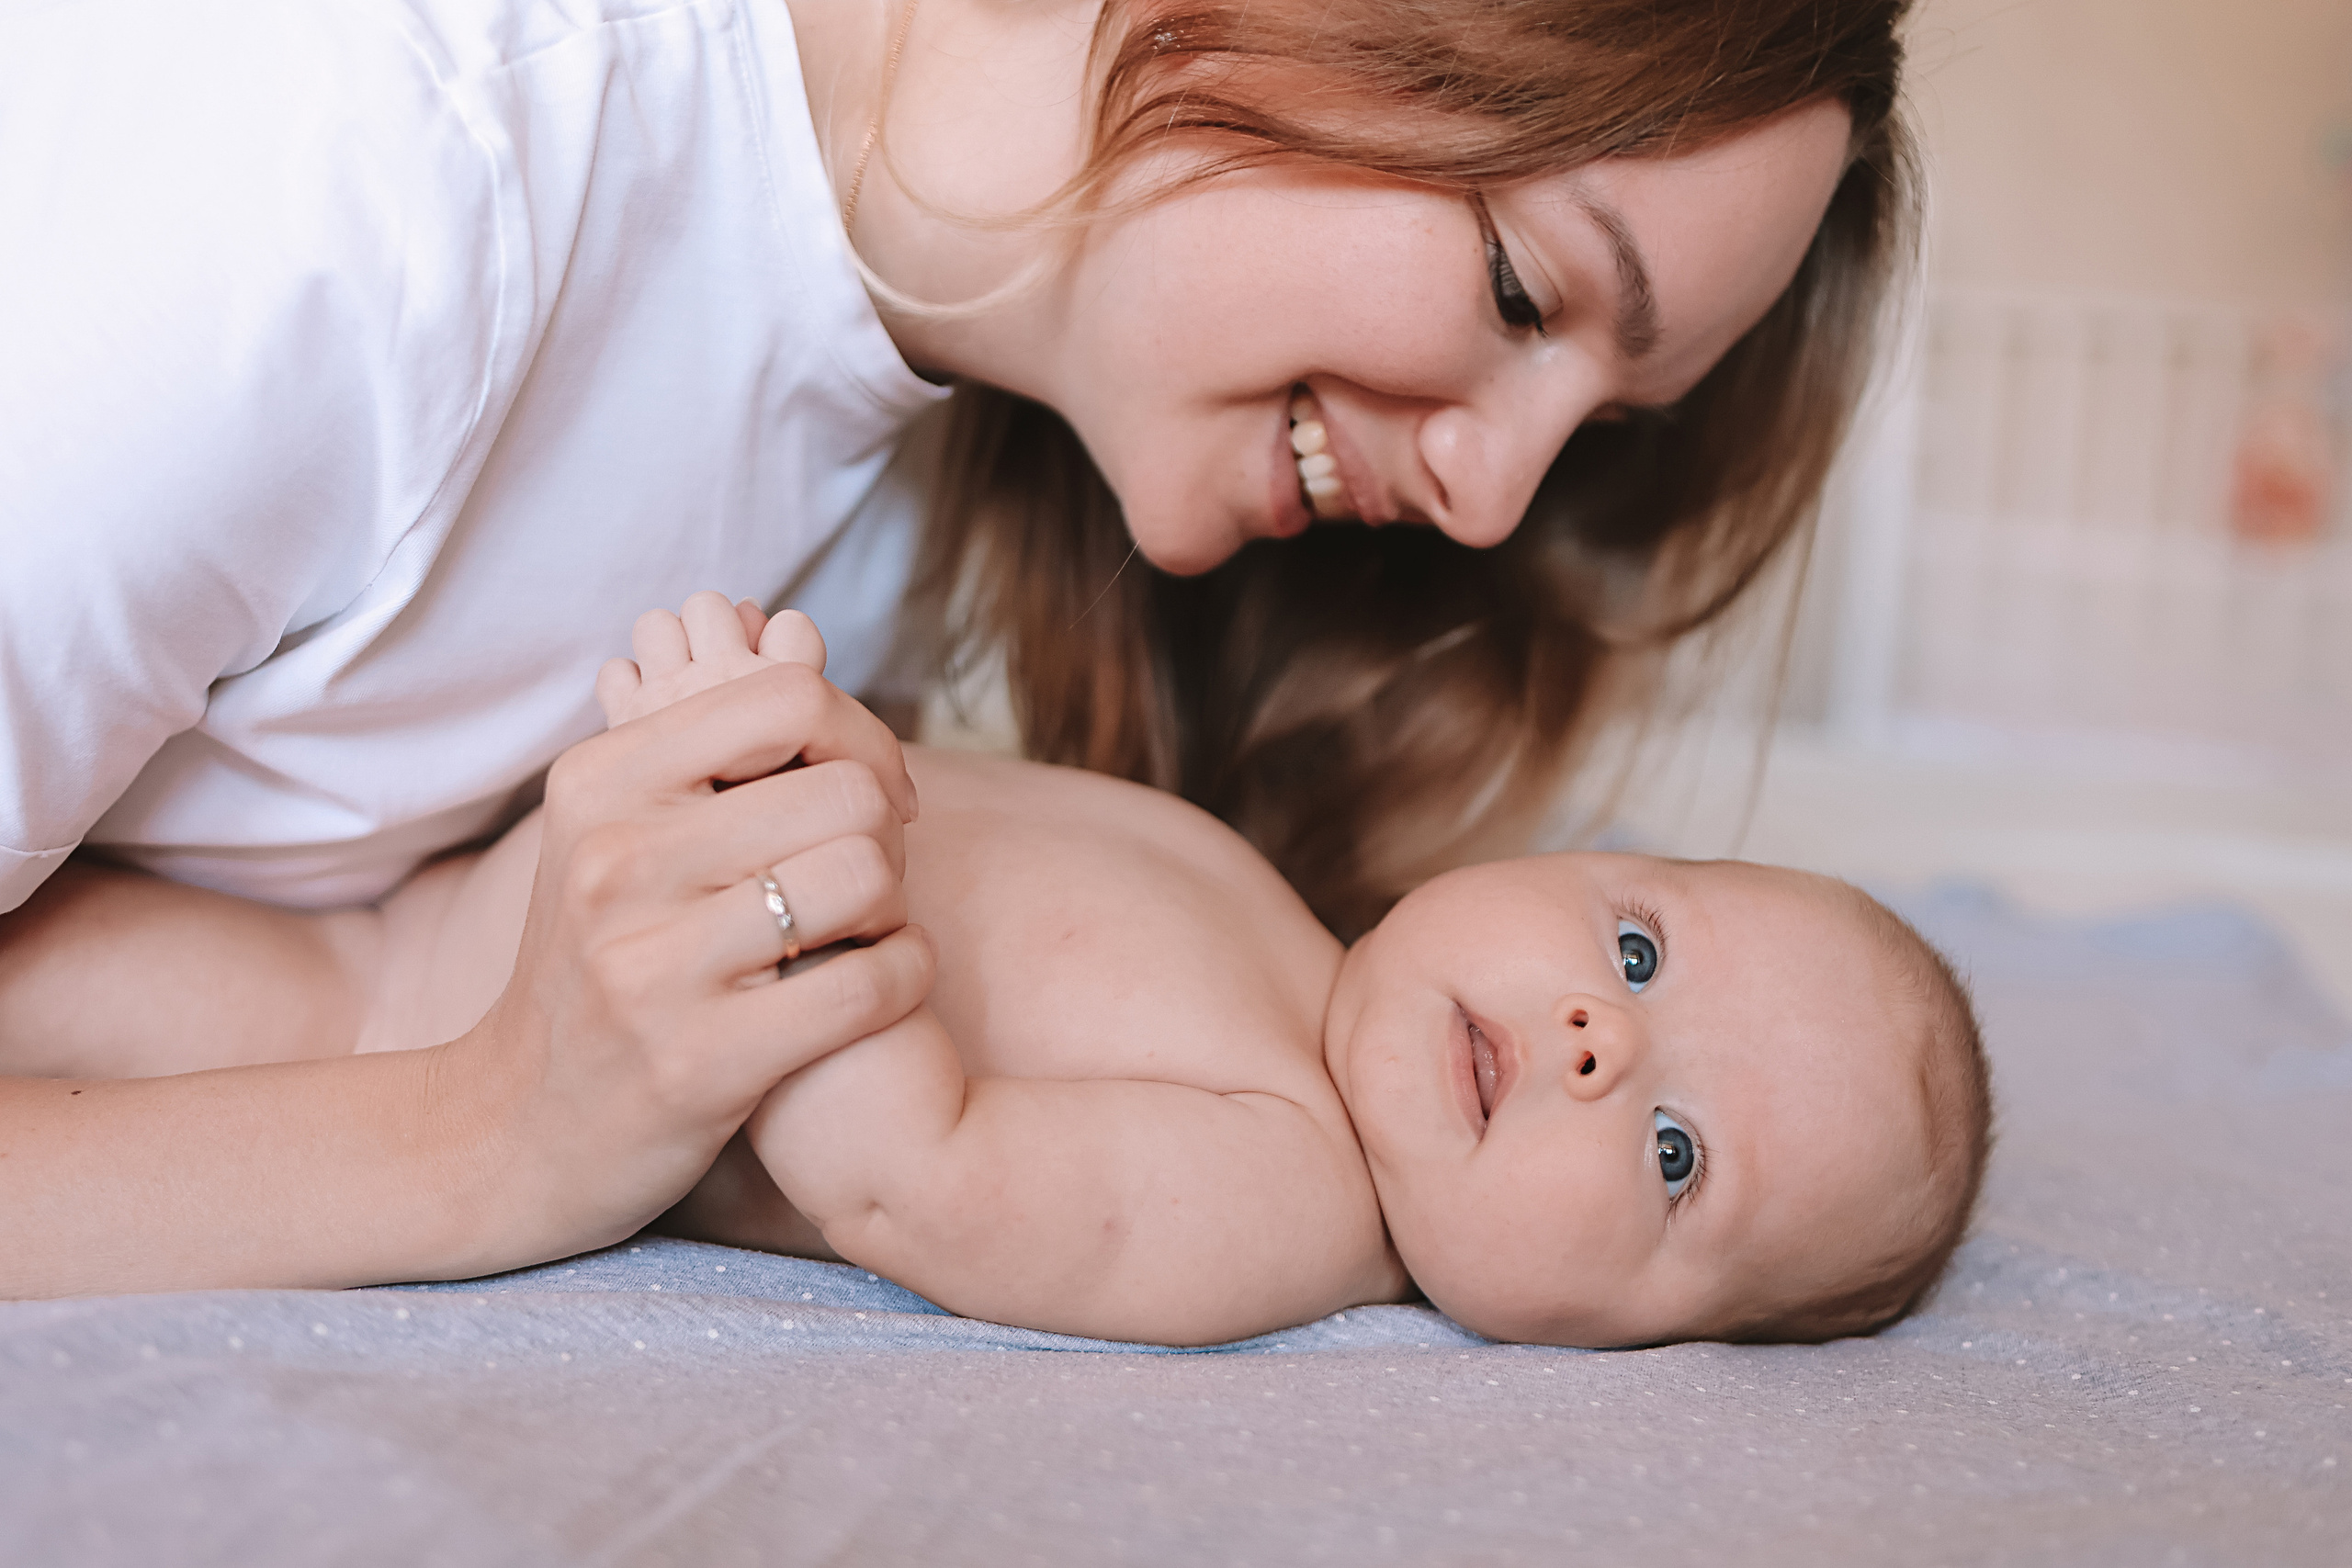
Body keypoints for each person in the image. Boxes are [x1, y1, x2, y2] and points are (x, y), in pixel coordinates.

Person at [0, 0, 1917, 1294]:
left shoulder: (925, 458)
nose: (1491, 506)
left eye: (1597, 430)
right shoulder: (357, 187)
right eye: (1517, 284)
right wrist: (491, 1136)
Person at [1, 598, 1993, 1342]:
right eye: (1632, 948)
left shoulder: (1286, 1195)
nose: (1593, 1036)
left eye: (1672, 1155)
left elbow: (913, 1170)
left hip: (393, 1019)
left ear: (1640, 1347)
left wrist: (774, 811)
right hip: (419, 899)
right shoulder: (1269, 911)